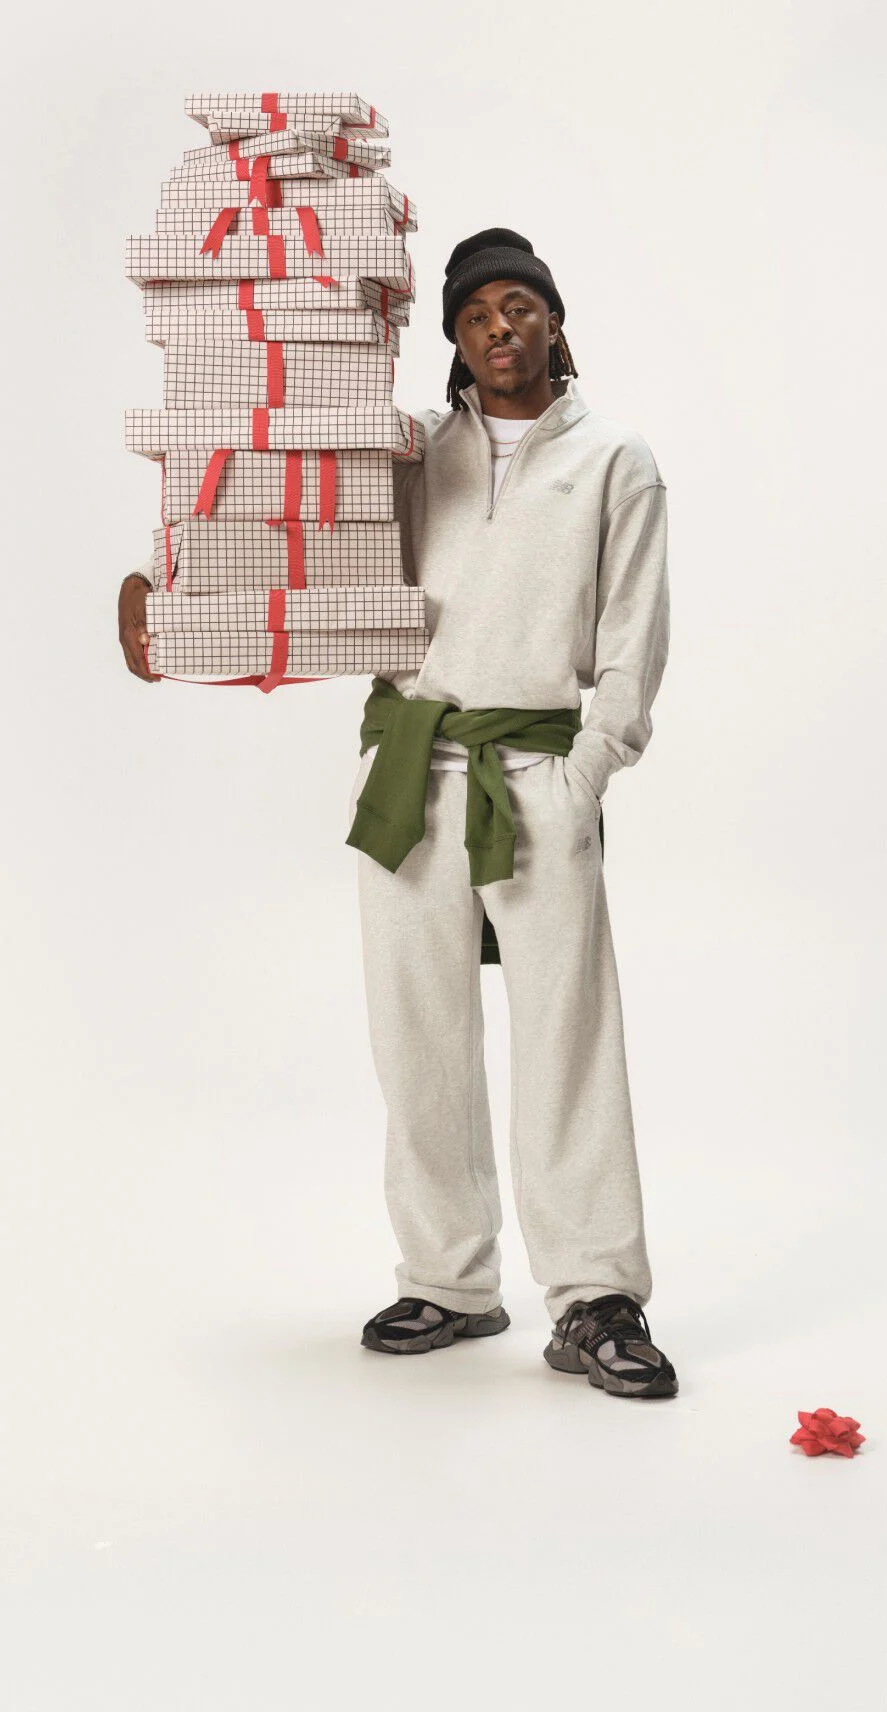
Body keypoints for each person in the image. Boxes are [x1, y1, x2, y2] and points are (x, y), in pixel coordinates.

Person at [116, 226, 677, 1402]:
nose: (500, 329)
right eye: (477, 316)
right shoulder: (411, 451)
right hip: (409, 771)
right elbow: (293, 525)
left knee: (567, 1035)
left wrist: (586, 773)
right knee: (416, 1033)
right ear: (457, 343)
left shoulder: (616, 459)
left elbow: (632, 639)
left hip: (535, 771)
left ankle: (594, 1294)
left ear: (556, 323)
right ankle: (452, 1277)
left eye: (520, 307)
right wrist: (172, 607)